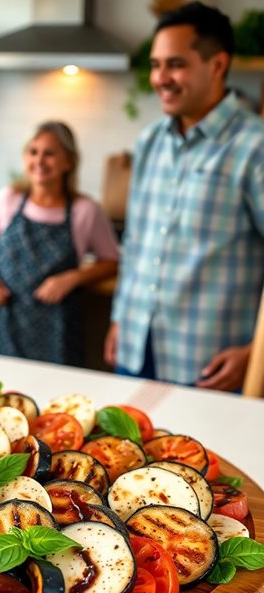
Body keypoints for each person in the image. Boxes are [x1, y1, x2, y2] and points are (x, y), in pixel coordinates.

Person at [104, 1, 264, 392]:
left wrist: (255, 353)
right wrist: (119, 317)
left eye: (175, 64)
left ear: (218, 65)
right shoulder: (150, 141)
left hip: (210, 365)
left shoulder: (254, 146)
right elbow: (138, 241)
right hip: (135, 350)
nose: (160, 78)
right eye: (156, 65)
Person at [0, 120, 119, 366]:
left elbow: (112, 262)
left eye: (50, 154)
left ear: (69, 162)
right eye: (33, 152)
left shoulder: (85, 210)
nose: (39, 161)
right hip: (5, 321)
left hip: (58, 332)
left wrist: (72, 278)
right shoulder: (8, 199)